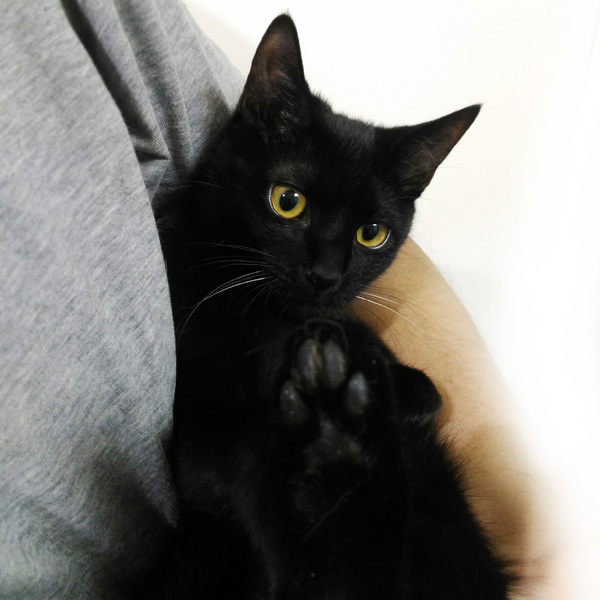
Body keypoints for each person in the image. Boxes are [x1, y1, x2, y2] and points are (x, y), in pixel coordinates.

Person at [0, 0, 569, 597]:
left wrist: (544, 548)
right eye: (289, 203)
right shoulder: (200, 283)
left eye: (369, 236)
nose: (326, 273)